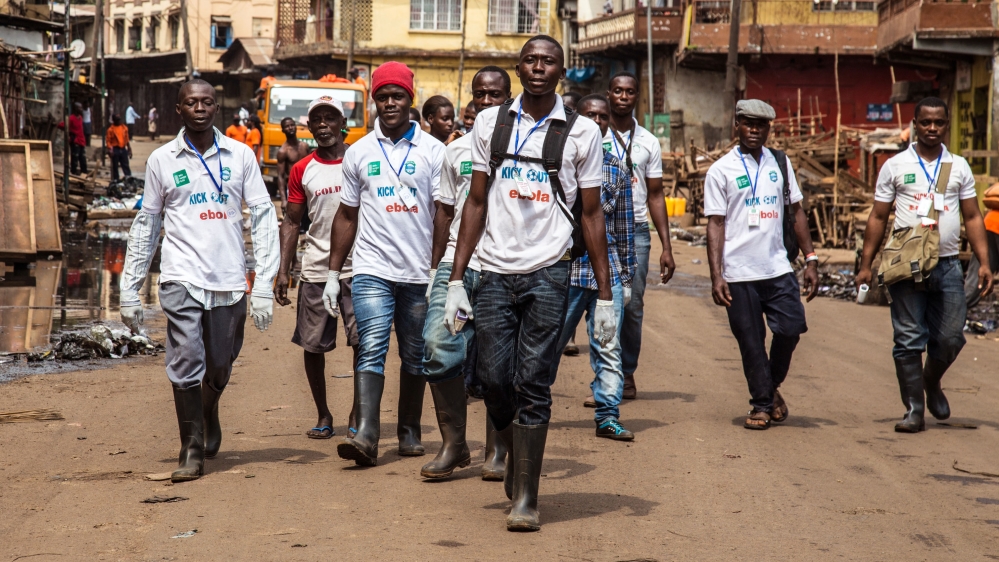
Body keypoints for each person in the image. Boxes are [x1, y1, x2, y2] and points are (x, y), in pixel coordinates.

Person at [448, 35, 614, 532]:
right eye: (531, 60)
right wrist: (456, 279)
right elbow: (476, 201)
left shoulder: (583, 133)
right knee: (493, 380)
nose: (539, 67)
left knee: (534, 382)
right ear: (518, 68)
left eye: (549, 61)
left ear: (562, 70)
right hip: (495, 268)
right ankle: (513, 454)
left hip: (550, 269)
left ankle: (526, 496)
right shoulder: (489, 123)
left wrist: (606, 295)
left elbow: (591, 213)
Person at [118, 79, 279, 482]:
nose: (200, 108)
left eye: (207, 102)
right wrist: (129, 288)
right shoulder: (161, 160)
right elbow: (148, 224)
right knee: (187, 358)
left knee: (220, 365)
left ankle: (207, 410)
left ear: (216, 108)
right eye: (192, 102)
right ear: (179, 109)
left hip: (228, 277)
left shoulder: (241, 155)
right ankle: (190, 449)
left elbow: (263, 216)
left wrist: (263, 282)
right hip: (181, 276)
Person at [322, 61, 445, 466]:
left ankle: (409, 430)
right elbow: (347, 214)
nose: (390, 103)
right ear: (373, 101)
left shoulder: (434, 151)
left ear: (410, 99)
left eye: (398, 96)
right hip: (372, 269)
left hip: (419, 273)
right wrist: (333, 273)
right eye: (383, 96)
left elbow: (444, 215)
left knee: (415, 353)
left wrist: (438, 270)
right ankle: (367, 435)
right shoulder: (359, 152)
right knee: (371, 347)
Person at [856, 96, 994, 433]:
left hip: (947, 265)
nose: (932, 128)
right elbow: (878, 216)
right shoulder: (895, 166)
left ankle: (930, 381)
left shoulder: (958, 166)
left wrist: (985, 262)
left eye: (939, 122)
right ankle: (914, 410)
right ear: (915, 125)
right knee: (908, 338)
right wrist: (866, 264)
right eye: (926, 122)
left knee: (950, 337)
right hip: (906, 264)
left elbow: (973, 216)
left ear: (946, 125)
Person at [420, 65, 512, 481]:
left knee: (498, 362)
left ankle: (499, 449)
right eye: (480, 95)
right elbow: (444, 212)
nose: (487, 102)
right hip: (458, 265)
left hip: (503, 267)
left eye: (496, 95)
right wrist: (435, 269)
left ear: (509, 100)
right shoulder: (455, 151)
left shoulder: (522, 148)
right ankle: (454, 444)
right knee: (438, 346)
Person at [704, 99, 818, 430]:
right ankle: (762, 405)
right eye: (748, 123)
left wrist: (811, 259)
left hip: (778, 267)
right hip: (738, 272)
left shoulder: (779, 163)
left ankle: (769, 386)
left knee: (792, 328)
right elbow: (715, 224)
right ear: (736, 125)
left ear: (769, 128)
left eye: (761, 124)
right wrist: (716, 275)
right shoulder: (721, 170)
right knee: (751, 342)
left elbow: (796, 211)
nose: (754, 129)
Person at [550, 94, 636, 440]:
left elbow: (624, 228)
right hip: (563, 270)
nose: (597, 121)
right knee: (548, 344)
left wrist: (626, 278)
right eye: (590, 115)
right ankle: (532, 408)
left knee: (608, 347)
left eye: (603, 116)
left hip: (606, 273)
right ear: (577, 117)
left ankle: (607, 416)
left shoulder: (616, 167)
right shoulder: (558, 160)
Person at [275, 96, 358, 440]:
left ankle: (358, 413)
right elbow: (293, 222)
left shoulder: (360, 158)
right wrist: (284, 270)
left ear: (343, 123)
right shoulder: (302, 168)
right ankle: (323, 413)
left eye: (331, 118)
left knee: (363, 344)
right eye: (317, 120)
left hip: (359, 268)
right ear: (309, 127)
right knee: (313, 345)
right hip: (316, 269)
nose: (324, 125)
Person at [604, 71, 676, 401]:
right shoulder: (594, 135)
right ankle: (606, 375)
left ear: (637, 96)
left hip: (635, 231)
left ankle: (627, 371)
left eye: (629, 92)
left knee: (632, 305)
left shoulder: (648, 141)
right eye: (617, 91)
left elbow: (656, 194)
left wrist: (667, 246)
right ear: (608, 94)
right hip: (599, 228)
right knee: (603, 303)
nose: (623, 96)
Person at [276, 116, 312, 211]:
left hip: (308, 186)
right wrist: (283, 200)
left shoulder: (305, 146)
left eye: (292, 125)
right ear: (283, 130)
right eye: (287, 126)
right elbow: (280, 176)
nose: (290, 128)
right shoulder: (283, 151)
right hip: (294, 189)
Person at [106, 114, 132, 181]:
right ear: (114, 120)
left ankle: (128, 179)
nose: (119, 121)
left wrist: (129, 149)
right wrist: (110, 150)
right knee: (115, 166)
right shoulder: (110, 130)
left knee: (125, 165)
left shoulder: (124, 128)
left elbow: (127, 139)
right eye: (117, 120)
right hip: (115, 149)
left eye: (119, 120)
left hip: (123, 149)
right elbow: (108, 141)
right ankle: (116, 180)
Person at [68, 102, 88, 175]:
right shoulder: (71, 118)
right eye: (79, 108)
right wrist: (72, 134)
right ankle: (73, 172)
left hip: (81, 140)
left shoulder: (80, 118)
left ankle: (84, 172)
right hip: (75, 141)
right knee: (75, 157)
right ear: (76, 108)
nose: (81, 109)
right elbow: (65, 126)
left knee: (83, 158)